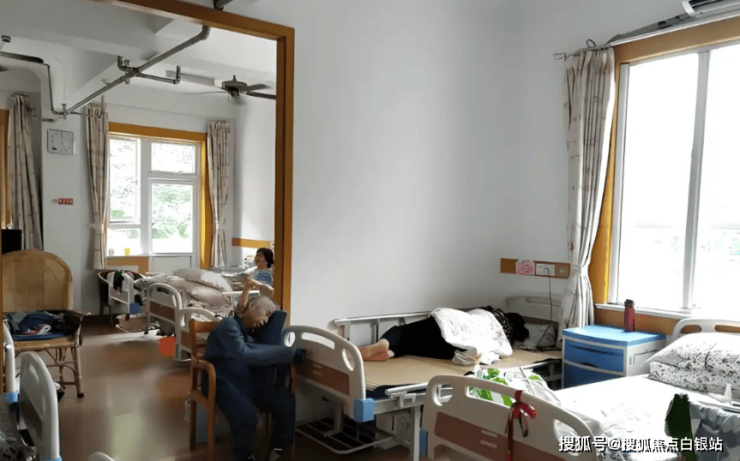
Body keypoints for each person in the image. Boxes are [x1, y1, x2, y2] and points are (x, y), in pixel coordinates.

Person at [203, 295, 306, 461]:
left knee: (285, 401)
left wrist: (274, 318)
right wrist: (290, 352)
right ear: (251, 306)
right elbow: (244, 353)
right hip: (221, 381)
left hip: (247, 382)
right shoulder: (228, 325)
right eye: (266, 313)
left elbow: (265, 345)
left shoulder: (253, 334)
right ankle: (245, 456)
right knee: (247, 415)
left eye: (269, 318)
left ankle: (278, 449)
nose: (266, 321)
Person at [359, 306, 528, 362]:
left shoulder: (485, 311)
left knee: (404, 332)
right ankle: (390, 353)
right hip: (452, 348)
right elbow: (504, 352)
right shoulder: (504, 342)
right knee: (412, 347)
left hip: (445, 322)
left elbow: (468, 315)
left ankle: (382, 345)